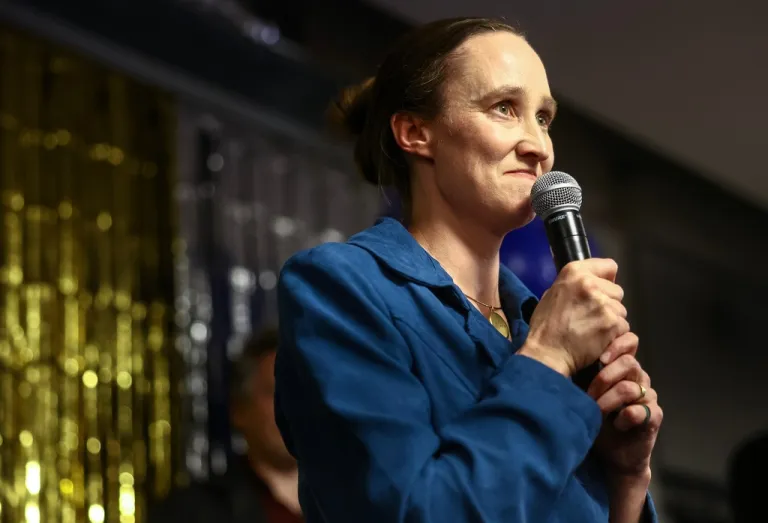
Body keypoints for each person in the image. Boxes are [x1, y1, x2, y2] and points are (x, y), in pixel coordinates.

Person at [275, 17, 663, 523]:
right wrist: (548, 358)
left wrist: (627, 480)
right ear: (416, 133)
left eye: (543, 119)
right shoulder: (342, 288)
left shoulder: (535, 322)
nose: (538, 146)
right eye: (505, 109)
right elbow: (418, 513)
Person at [148, 328, 302, 523]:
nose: (291, 408)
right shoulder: (190, 512)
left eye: (301, 394)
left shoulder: (346, 501)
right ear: (240, 409)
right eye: (274, 393)